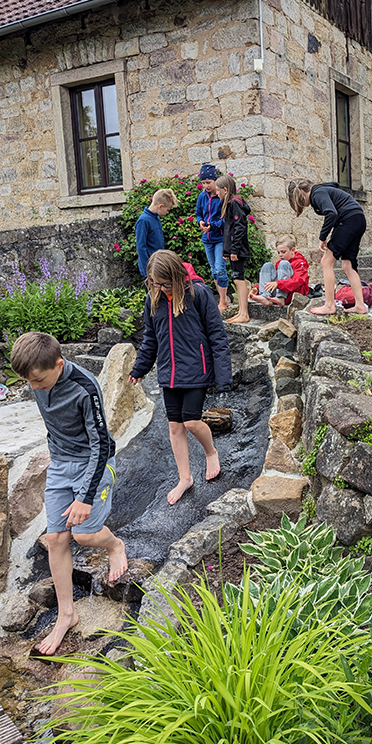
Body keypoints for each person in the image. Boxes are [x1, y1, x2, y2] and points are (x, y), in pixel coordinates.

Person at [10, 332, 127, 656]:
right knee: (58, 539)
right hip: (61, 464)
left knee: (85, 536)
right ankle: (67, 613)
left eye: (39, 381)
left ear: (59, 364)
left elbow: (101, 445)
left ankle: (115, 544)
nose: (34, 388)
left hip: (95, 463)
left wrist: (85, 498)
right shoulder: (38, 377)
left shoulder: (84, 387)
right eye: (28, 382)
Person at [129, 250, 232, 505]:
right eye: (154, 283)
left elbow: (217, 337)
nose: (160, 288)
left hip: (196, 370)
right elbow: (150, 339)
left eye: (164, 284)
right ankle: (184, 478)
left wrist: (223, 378)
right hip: (168, 373)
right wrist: (139, 369)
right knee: (175, 426)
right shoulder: (153, 299)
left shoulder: (199, 294)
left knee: (192, 422)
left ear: (176, 276)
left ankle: (211, 452)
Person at [287, 179, 367, 315]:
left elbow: (331, 213)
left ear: (301, 192)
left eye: (300, 200)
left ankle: (329, 305)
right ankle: (360, 305)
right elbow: (336, 209)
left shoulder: (317, 194)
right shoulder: (322, 190)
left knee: (326, 262)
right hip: (358, 219)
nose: (303, 205)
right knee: (348, 265)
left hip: (348, 221)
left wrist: (322, 237)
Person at [217, 175, 251, 324]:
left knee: (239, 280)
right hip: (233, 250)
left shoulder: (234, 204)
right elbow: (229, 230)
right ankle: (241, 312)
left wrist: (234, 251)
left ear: (225, 189)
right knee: (237, 279)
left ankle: (244, 313)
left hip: (238, 250)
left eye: (218, 191)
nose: (216, 194)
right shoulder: (230, 203)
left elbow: (239, 227)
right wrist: (227, 251)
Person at [195, 164, 229, 312]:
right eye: (203, 182)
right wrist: (200, 222)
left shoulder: (221, 196)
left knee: (220, 269)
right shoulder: (202, 196)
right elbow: (198, 213)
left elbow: (225, 219)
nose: (206, 185)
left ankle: (223, 300)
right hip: (207, 239)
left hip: (220, 238)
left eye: (208, 182)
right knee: (214, 270)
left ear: (215, 180)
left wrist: (212, 225)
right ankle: (223, 299)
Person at [249, 235, 310, 307]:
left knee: (284, 263)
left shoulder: (300, 263)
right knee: (267, 265)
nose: (280, 255)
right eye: (278, 252)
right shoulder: (279, 263)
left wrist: (278, 284)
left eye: (283, 252)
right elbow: (274, 280)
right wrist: (257, 288)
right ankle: (264, 296)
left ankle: (281, 297)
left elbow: (297, 281)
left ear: (292, 250)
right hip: (277, 292)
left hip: (291, 293)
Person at [135, 188, 178, 278]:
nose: (167, 212)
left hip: (159, 266)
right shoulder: (143, 220)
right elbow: (141, 247)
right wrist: (148, 270)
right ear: (160, 206)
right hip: (150, 269)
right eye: (167, 209)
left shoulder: (156, 218)